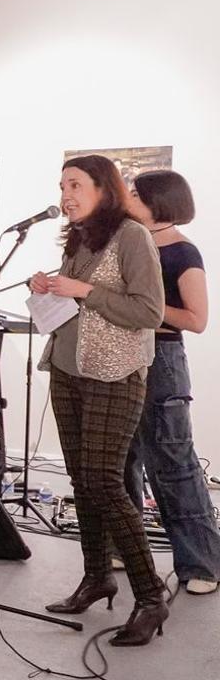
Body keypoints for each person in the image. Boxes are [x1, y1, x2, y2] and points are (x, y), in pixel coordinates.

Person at [31, 155, 167, 647]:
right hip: (68, 371)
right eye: (62, 184)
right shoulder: (80, 236)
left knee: (106, 483)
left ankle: (151, 598)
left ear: (104, 189)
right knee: (81, 481)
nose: (66, 193)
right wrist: (51, 288)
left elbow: (149, 311)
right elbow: (77, 300)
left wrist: (84, 290)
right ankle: (96, 576)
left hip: (115, 374)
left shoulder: (133, 237)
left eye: (75, 184)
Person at [122, 170, 220, 596]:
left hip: (161, 360)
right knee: (121, 459)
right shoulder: (127, 243)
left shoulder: (182, 252)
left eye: (134, 192)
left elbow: (196, 320)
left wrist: (140, 310)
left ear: (156, 202)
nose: (126, 197)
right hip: (120, 357)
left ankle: (201, 562)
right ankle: (124, 547)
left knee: (173, 464)